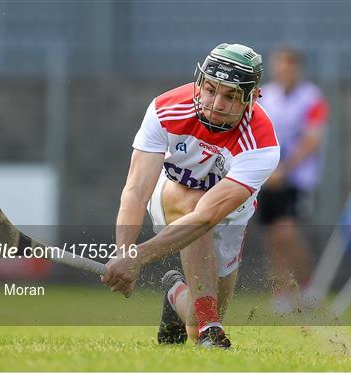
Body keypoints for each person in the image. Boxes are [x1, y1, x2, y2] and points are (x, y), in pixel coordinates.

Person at [101, 43, 280, 348]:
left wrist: (139, 258)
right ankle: (210, 326)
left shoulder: (261, 144)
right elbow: (135, 190)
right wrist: (124, 253)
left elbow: (208, 216)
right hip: (170, 195)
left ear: (252, 98)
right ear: (199, 83)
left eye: (230, 96)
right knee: (191, 202)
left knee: (197, 322)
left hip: (226, 216)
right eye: (210, 90)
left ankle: (177, 297)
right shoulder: (165, 109)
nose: (216, 103)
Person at [257, 45, 329, 312]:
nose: (285, 71)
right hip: (268, 176)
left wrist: (284, 170)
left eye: (290, 66)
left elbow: (312, 140)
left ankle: (307, 285)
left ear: (298, 68)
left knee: (288, 232)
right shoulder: (266, 96)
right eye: (280, 65)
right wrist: (267, 169)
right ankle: (281, 291)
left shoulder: (312, 98)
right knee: (273, 236)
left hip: (297, 178)